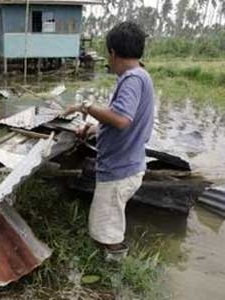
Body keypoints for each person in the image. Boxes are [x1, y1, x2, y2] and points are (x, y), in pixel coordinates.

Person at [62, 22, 154, 259]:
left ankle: (113, 270)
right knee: (108, 219)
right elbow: (122, 122)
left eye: (107, 53)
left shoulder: (132, 79)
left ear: (113, 53)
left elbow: (122, 119)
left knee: (105, 229)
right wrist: (94, 129)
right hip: (126, 166)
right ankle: (111, 257)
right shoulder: (141, 75)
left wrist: (87, 106)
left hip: (120, 171)